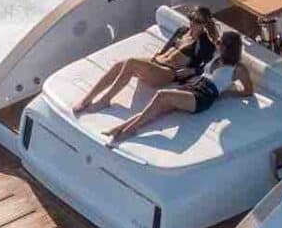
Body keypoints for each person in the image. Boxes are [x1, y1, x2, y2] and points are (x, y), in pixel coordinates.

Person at [107, 31, 256, 146]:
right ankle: (121, 128)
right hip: (193, 86)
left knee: (161, 95)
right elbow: (210, 34)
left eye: (220, 42)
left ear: (227, 47)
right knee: (157, 107)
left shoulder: (238, 69)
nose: (217, 43)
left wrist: (228, 92)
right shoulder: (217, 57)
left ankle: (129, 130)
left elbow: (248, 91)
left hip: (202, 96)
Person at [73, 4, 219, 116]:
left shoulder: (204, 43)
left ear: (205, 24)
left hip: (168, 72)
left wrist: (191, 71)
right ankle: (87, 99)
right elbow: (167, 48)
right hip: (156, 63)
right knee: (119, 65)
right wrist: (154, 58)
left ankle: (105, 100)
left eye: (197, 21)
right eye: (191, 18)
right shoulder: (182, 31)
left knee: (131, 63)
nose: (192, 22)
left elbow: (206, 67)